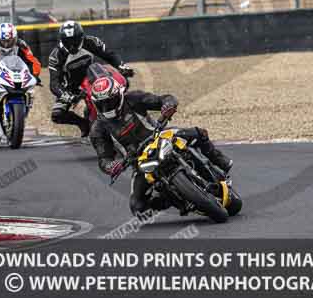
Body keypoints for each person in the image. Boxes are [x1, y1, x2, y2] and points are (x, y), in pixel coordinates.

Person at [88, 76, 232, 216]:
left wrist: (168, 105)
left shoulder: (133, 99)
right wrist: (111, 166)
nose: (107, 107)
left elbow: (164, 98)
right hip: (137, 160)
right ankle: (171, 199)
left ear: (119, 95)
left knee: (198, 133)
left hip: (160, 135)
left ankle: (221, 162)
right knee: (137, 207)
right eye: (102, 104)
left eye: (110, 101)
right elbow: (104, 158)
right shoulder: (98, 129)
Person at [48, 20, 133, 138]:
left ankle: (128, 113)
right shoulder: (56, 55)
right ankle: (83, 124)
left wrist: (121, 66)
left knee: (124, 83)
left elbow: (110, 55)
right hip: (72, 87)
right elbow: (54, 83)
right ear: (62, 40)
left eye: (75, 40)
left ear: (81, 37)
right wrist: (66, 95)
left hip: (95, 77)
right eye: (68, 41)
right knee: (57, 114)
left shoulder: (91, 41)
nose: (72, 45)